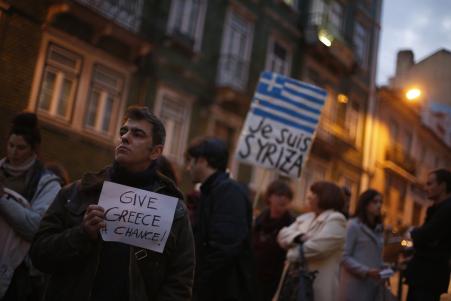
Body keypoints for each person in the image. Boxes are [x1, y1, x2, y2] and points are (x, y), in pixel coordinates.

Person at [30, 106, 195, 301]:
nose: (125, 137)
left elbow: (180, 282)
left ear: (155, 152)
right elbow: (39, 254)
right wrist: (82, 234)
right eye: (123, 131)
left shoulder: (173, 212)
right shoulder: (77, 193)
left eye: (138, 134)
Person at [0, 112, 61, 300]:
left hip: (17, 276)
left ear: (33, 149)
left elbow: (35, 227)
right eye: (11, 145)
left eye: (21, 147)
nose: (13, 152)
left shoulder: (47, 184)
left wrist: (2, 199)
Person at [186, 137, 253, 301]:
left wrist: (198, 284)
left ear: (202, 161)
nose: (188, 168)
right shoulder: (211, 191)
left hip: (223, 291)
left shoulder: (228, 192)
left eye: (191, 162)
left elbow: (223, 248)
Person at [276, 181, 346, 301]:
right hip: (291, 284)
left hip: (314, 287)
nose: (308, 196)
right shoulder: (305, 217)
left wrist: (290, 252)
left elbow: (317, 248)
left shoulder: (336, 220)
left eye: (314, 193)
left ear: (325, 196)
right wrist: (299, 237)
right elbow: (281, 235)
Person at [405, 168, 451, 301]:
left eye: (430, 184)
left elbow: (424, 236)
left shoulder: (447, 210)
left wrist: (414, 233)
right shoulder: (436, 208)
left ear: (442, 186)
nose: (425, 188)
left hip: (428, 280)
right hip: (424, 279)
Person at [338, 189, 386, 301]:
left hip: (372, 286)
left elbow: (373, 255)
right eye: (375, 202)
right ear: (365, 204)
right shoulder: (353, 226)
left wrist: (384, 268)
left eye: (380, 202)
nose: (379, 205)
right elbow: (343, 256)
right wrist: (366, 271)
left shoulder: (378, 229)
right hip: (354, 286)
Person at [252, 180, 295, 301]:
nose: (283, 199)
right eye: (280, 195)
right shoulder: (259, 220)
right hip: (253, 276)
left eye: (287, 197)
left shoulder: (292, 224)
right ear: (270, 197)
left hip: (274, 280)